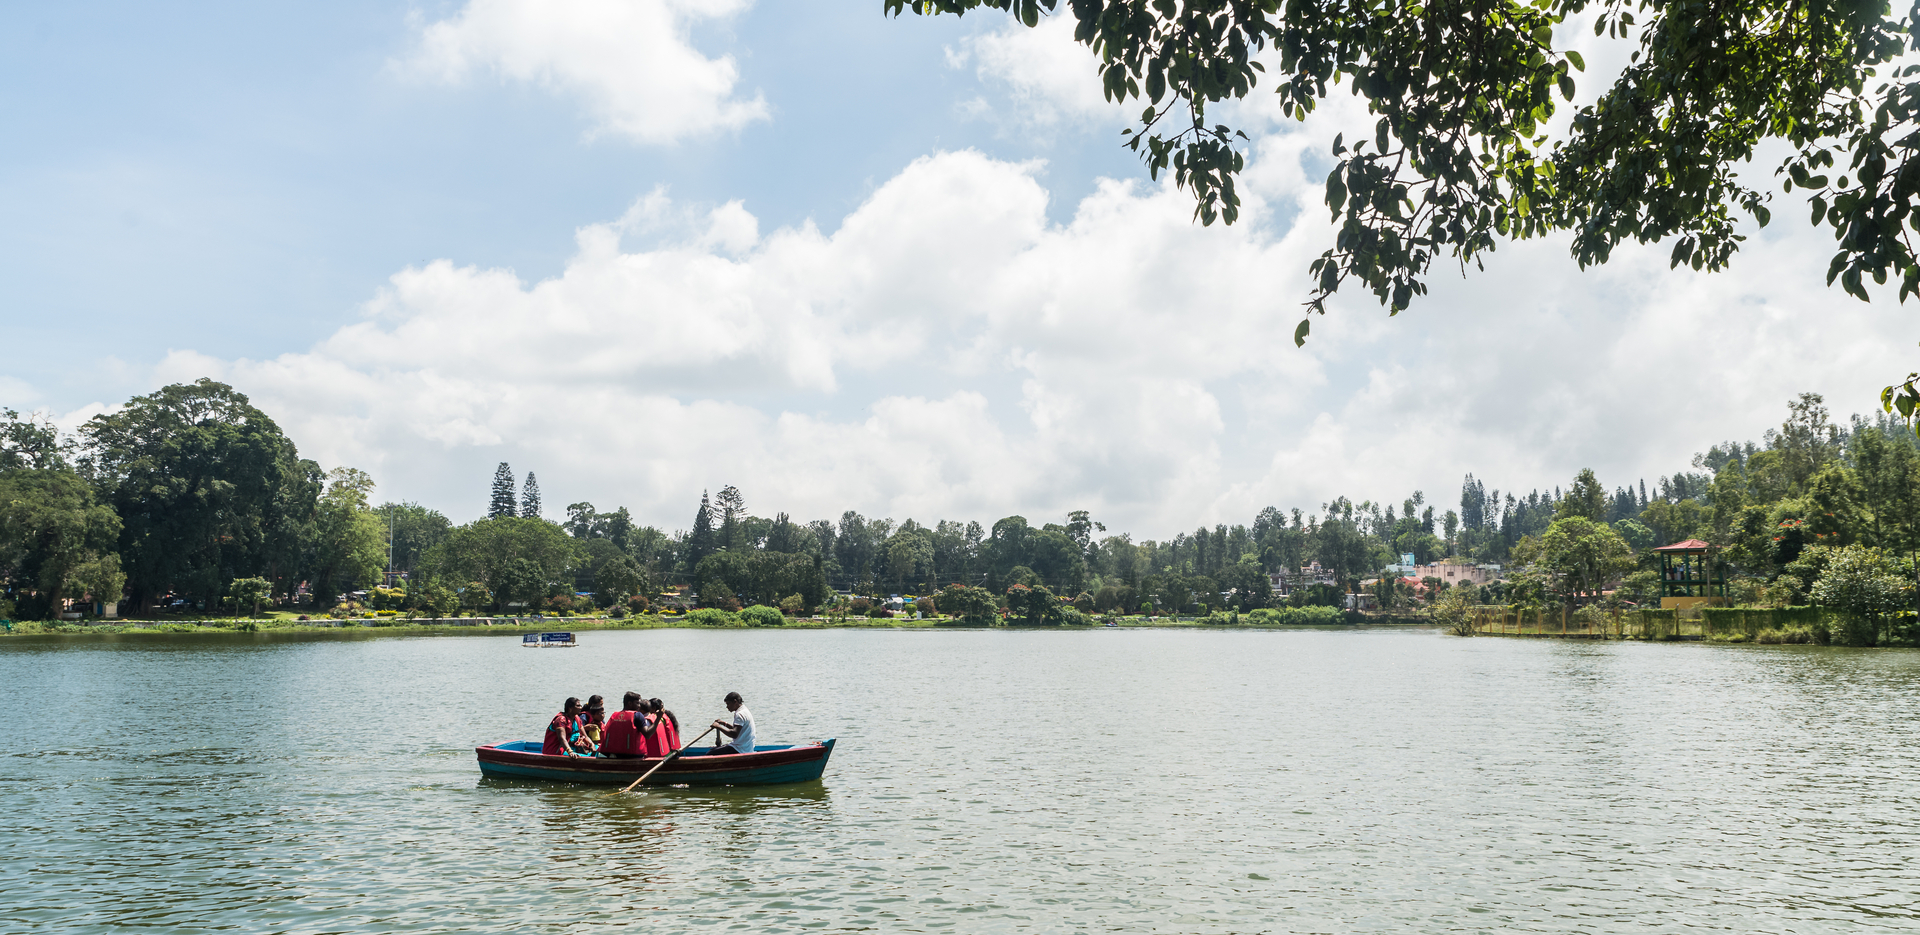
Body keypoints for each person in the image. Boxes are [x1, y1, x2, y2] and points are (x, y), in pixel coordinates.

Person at [600, 691, 656, 758]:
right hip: (632, 755)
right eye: (637, 703)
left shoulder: (615, 715)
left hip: (613, 754)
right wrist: (657, 720)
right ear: (630, 703)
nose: (639, 706)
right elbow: (647, 734)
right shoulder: (637, 715)